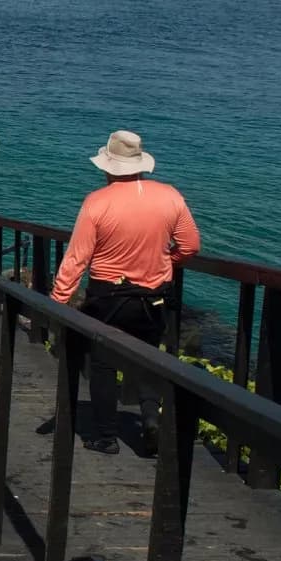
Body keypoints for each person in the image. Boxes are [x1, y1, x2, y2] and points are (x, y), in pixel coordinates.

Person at [51, 130, 201, 457]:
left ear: (107, 166)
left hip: (108, 297)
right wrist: (166, 262)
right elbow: (190, 245)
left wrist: (57, 303)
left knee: (102, 362)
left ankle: (106, 436)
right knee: (149, 358)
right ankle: (150, 420)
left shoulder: (97, 202)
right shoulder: (170, 196)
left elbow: (76, 259)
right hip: (153, 297)